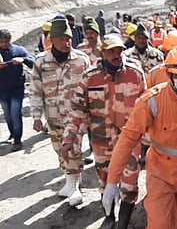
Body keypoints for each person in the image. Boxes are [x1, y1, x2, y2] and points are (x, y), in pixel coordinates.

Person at [102, 45, 177, 229]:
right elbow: (127, 139)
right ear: (169, 74)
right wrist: (112, 181)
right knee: (160, 224)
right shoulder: (152, 101)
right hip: (162, 174)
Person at [62, 34, 145, 229]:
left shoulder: (135, 74)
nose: (116, 55)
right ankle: (109, 217)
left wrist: (151, 139)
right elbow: (77, 110)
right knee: (105, 180)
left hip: (130, 142)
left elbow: (146, 108)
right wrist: (69, 139)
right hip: (102, 141)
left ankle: (122, 224)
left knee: (130, 183)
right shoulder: (90, 77)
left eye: (119, 50)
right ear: (102, 53)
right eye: (111, 51)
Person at [30, 19, 91, 206]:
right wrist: (36, 116)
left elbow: (91, 88)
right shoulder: (41, 62)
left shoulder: (81, 59)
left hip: (76, 117)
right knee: (59, 151)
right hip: (53, 117)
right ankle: (70, 180)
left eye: (69, 39)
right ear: (52, 40)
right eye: (62, 39)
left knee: (72, 149)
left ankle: (74, 186)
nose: (67, 42)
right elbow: (35, 90)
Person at [0, 29, 35, 151]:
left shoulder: (19, 50)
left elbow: (33, 63)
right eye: (2, 42)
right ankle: (13, 133)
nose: (4, 44)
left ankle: (18, 140)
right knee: (8, 114)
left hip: (17, 89)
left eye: (7, 42)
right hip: (2, 90)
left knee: (15, 113)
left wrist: (23, 59)